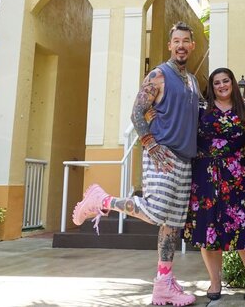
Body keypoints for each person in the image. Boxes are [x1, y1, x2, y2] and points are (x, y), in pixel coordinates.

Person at [72, 22, 200, 307]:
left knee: (172, 224)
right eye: (176, 40)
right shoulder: (159, 74)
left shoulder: (191, 80)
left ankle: (163, 285)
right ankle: (102, 199)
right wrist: (150, 143)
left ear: (192, 45)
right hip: (162, 154)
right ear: (170, 45)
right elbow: (136, 112)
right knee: (155, 213)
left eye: (185, 41)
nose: (181, 45)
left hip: (185, 159)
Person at [183, 68, 245, 301]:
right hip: (206, 177)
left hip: (240, 178)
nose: (221, 85)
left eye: (226, 81)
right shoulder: (200, 110)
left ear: (233, 83)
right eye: (216, 82)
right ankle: (215, 282)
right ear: (212, 87)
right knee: (209, 230)